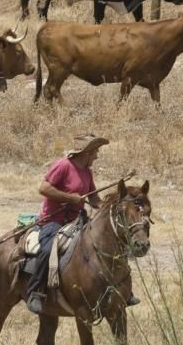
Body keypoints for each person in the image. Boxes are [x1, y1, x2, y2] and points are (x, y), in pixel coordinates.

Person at [25, 133, 140, 314]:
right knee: (47, 249)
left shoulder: (87, 171)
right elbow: (44, 188)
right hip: (54, 220)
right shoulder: (63, 166)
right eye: (95, 152)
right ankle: (36, 291)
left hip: (77, 218)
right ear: (85, 152)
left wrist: (106, 208)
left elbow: (93, 197)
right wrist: (68, 197)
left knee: (113, 243)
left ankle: (124, 291)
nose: (96, 156)